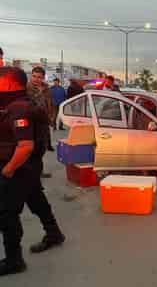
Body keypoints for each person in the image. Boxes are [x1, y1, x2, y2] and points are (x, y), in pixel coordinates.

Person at [0, 67, 64, 276]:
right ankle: (54, 234)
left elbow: (25, 145)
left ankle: (14, 260)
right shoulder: (17, 102)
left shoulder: (19, 107)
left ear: (10, 84)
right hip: (29, 165)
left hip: (19, 166)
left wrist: (8, 169)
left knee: (7, 212)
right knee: (35, 199)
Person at [27, 67, 54, 152]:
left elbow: (50, 104)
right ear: (31, 76)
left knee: (41, 148)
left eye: (39, 77)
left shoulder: (47, 89)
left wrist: (51, 117)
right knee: (30, 150)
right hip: (31, 123)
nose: (36, 79)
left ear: (43, 78)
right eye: (34, 76)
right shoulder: (26, 89)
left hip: (44, 123)